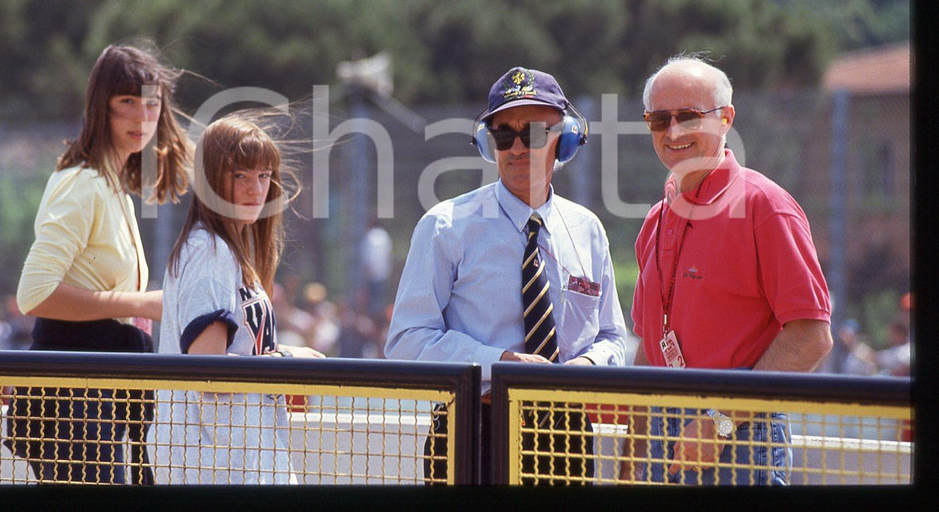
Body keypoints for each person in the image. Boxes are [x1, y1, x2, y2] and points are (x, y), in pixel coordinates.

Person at [385, 66, 626, 485]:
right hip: (470, 430)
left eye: (533, 133)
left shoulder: (588, 229)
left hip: (566, 434)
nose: (517, 147)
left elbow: (613, 338)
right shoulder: (445, 225)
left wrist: (584, 366)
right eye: (503, 135)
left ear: (564, 139)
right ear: (487, 143)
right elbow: (407, 340)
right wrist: (501, 364)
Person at [620, 54, 832, 486]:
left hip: (741, 435)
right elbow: (651, 346)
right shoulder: (656, 219)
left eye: (690, 117)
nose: (673, 132)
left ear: (725, 119)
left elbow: (812, 335)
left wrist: (718, 421)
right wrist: (634, 447)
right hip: (664, 430)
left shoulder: (764, 206)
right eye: (660, 120)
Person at [4, 39, 193, 484]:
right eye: (126, 101)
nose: (141, 117)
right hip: (73, 398)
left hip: (102, 395)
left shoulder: (110, 185)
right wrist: (139, 304)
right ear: (100, 107)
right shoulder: (83, 183)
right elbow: (33, 294)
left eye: (151, 104)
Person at [149, 111, 325, 485]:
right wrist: (287, 360)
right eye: (240, 175)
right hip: (212, 465)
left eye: (263, 176)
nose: (255, 189)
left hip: (236, 458)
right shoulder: (209, 250)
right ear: (212, 180)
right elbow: (211, 373)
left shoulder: (227, 250)